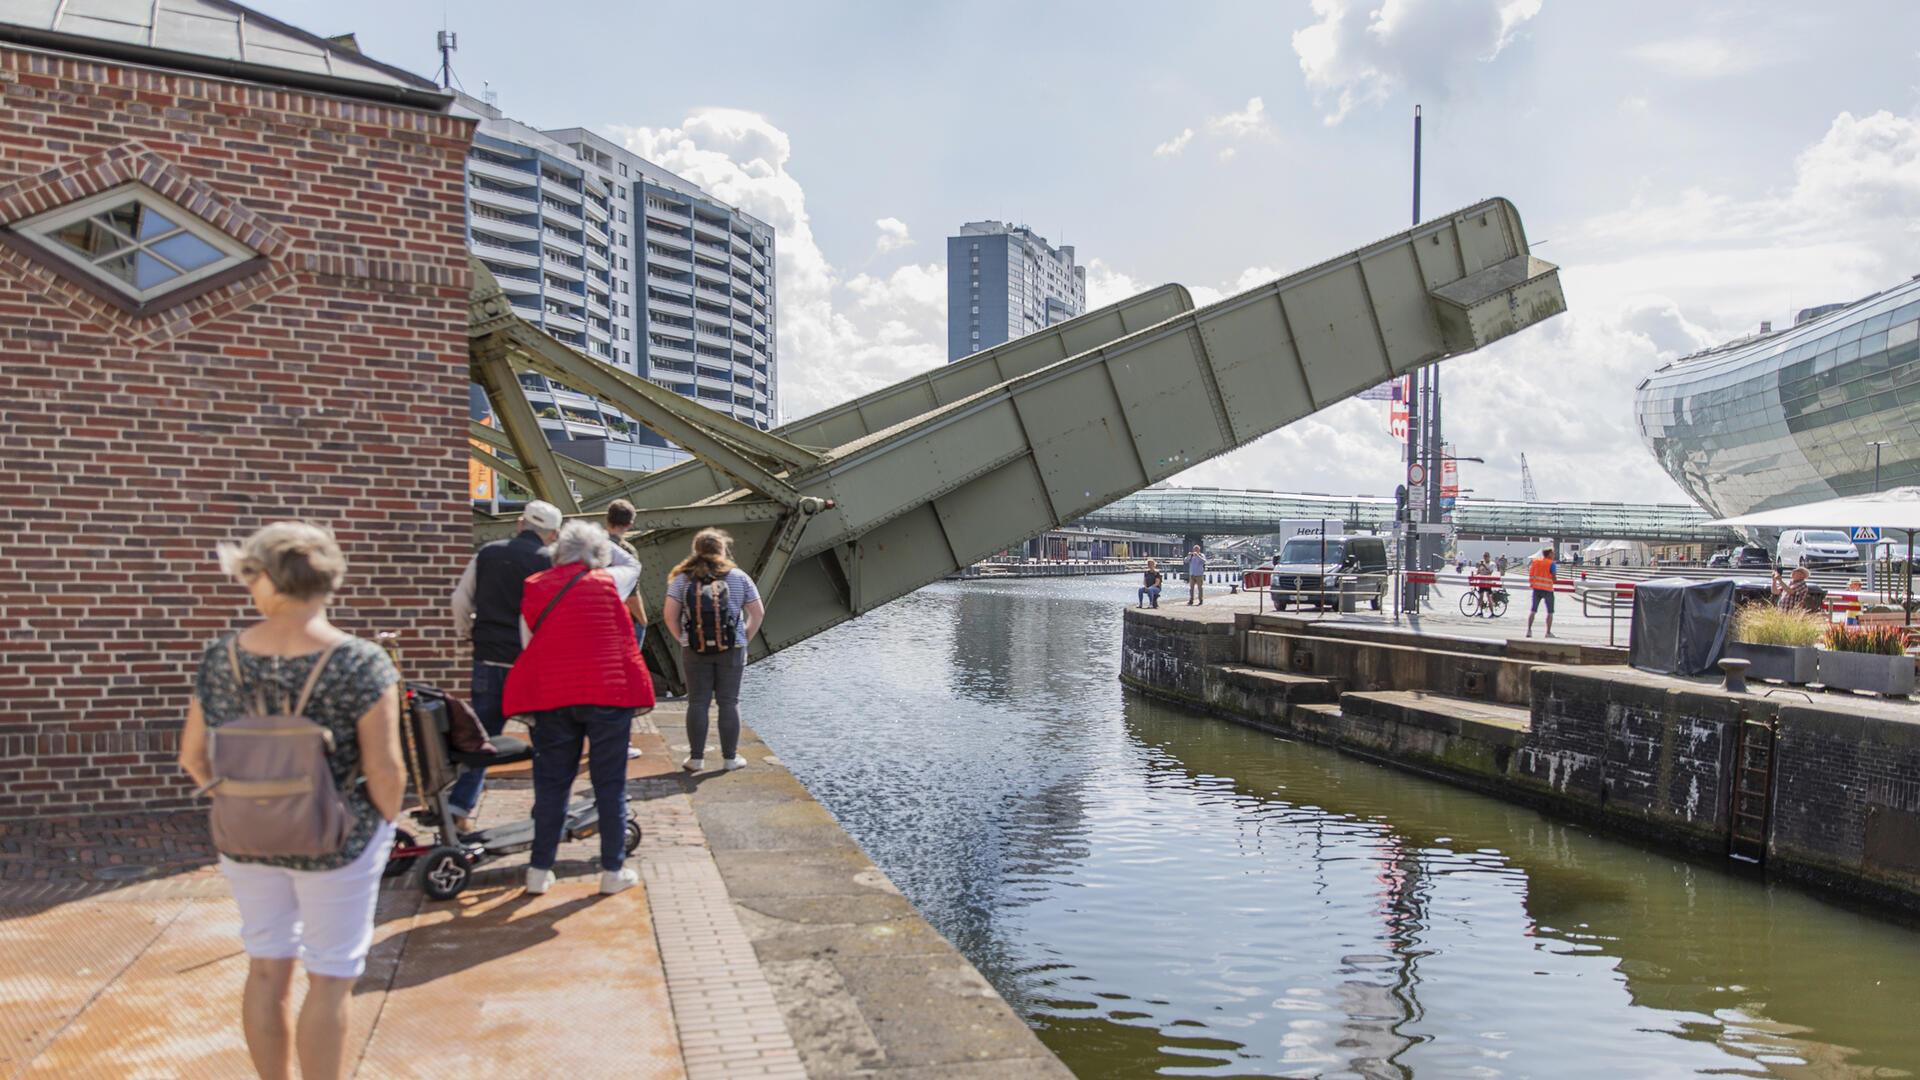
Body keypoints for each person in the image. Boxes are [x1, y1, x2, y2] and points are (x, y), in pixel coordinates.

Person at [177, 522, 404, 1080]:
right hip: (337, 838)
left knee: (265, 970)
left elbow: (192, 756)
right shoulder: (361, 661)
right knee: (330, 977)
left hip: (247, 838)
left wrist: (235, 800)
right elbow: (385, 768)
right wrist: (384, 824)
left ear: (259, 578)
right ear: (329, 579)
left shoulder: (220, 657)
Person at [503, 520, 653, 896]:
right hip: (608, 696)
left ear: (558, 552)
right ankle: (612, 871)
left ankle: (539, 871)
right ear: (597, 555)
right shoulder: (610, 581)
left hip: (554, 698)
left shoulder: (534, 587)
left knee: (552, 784)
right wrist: (602, 539)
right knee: (609, 784)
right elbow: (632, 566)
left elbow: (528, 646)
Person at [447, 500, 561, 831]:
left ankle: (459, 808)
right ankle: (545, 809)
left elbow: (460, 601)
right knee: (546, 740)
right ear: (552, 534)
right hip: (531, 666)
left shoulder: (487, 553)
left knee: (481, 739)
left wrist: (468, 634)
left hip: (489, 658)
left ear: (520, 523)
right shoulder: (550, 561)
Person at [663, 529, 766, 772]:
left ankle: (696, 759)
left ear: (696, 550)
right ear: (722, 550)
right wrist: (743, 638)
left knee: (697, 702)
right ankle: (730, 759)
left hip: (694, 648)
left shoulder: (682, 579)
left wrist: (684, 639)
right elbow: (757, 613)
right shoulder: (739, 577)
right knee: (729, 702)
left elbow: (670, 616)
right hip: (732, 648)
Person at [604, 498, 650, 651]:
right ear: (630, 524)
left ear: (607, 519)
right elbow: (631, 595)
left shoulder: (591, 544)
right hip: (621, 620)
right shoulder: (626, 551)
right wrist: (642, 620)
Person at [1526, 545, 1558, 638]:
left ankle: (1529, 630)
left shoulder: (1535, 562)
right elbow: (1554, 578)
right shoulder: (1551, 563)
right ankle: (1548, 632)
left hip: (1536, 589)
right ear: (1549, 554)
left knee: (1533, 610)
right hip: (1548, 589)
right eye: (1553, 553)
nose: (1554, 555)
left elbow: (1531, 574)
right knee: (1550, 612)